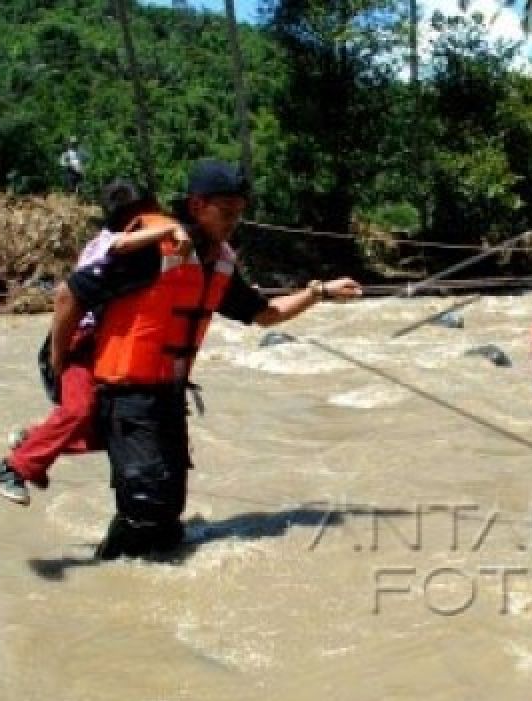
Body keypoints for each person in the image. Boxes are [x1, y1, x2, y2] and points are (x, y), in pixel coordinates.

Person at [55, 159, 362, 560]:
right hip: (124, 394)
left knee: (168, 519)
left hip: (168, 395)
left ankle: (145, 599)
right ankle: (104, 579)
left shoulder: (218, 263)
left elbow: (266, 313)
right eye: (227, 211)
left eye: (240, 212)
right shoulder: (151, 251)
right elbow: (69, 295)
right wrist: (61, 361)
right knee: (144, 503)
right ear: (198, 206)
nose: (235, 221)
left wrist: (319, 292)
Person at [0, 180, 188, 506]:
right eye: (149, 215)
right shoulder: (112, 241)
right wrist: (171, 230)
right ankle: (13, 469)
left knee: (113, 430)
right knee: (78, 410)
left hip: (99, 345)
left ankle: (30, 440)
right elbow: (120, 246)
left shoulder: (129, 243)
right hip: (76, 343)